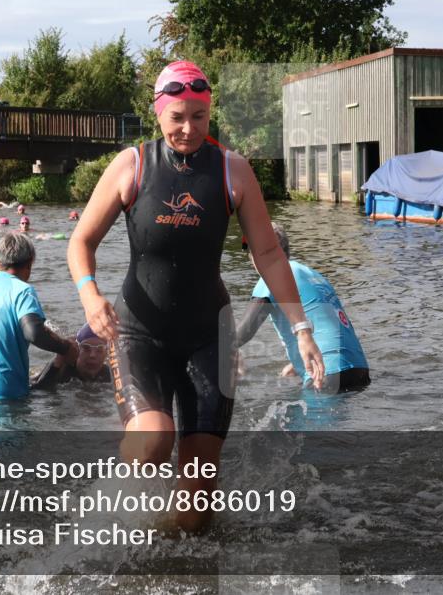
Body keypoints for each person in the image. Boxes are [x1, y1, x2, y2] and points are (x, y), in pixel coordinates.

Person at [67, 60, 325, 533]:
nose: (188, 129)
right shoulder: (133, 165)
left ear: (210, 113)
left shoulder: (233, 170)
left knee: (196, 510)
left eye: (199, 117)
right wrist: (90, 297)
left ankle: (161, 559)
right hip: (139, 333)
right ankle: (113, 499)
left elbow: (268, 253)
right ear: (158, 113)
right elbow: (80, 243)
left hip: (210, 337)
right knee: (153, 444)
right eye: (178, 117)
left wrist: (302, 329)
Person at [236, 223, 370, 394]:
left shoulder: (272, 275)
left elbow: (244, 331)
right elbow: (326, 325)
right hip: (359, 370)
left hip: (326, 374)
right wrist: (297, 362)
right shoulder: (314, 275)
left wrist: (225, 349)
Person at [0, 233, 79, 402]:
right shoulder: (22, 290)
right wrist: (66, 347)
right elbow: (34, 332)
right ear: (30, 263)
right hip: (1, 394)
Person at [30, 323, 112, 389]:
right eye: (86, 348)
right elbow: (37, 391)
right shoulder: (60, 369)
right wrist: (58, 362)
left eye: (100, 350)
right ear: (77, 350)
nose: (92, 355)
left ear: (106, 353)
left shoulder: (110, 376)